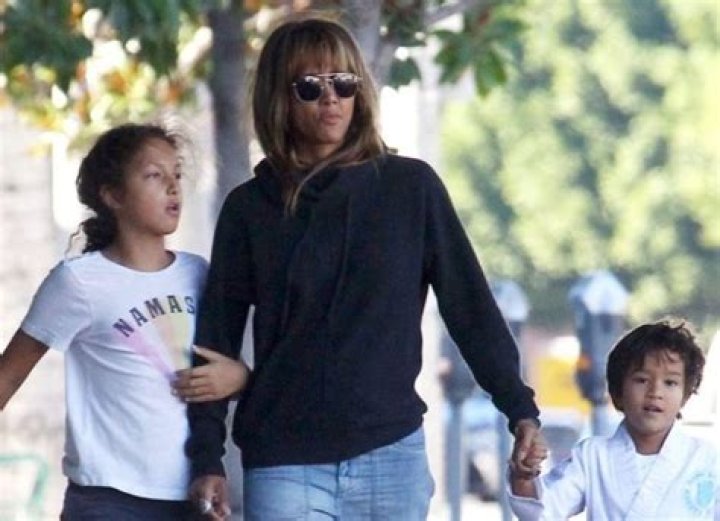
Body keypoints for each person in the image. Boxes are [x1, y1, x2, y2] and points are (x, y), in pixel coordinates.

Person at [184, 16, 543, 520]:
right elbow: (214, 340)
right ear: (279, 99)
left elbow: (470, 308)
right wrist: (207, 459)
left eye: (344, 83)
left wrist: (520, 409)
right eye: (310, 87)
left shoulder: (411, 187)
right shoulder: (250, 209)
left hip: (391, 455)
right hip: (284, 459)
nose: (331, 99)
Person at [0, 123, 242, 520]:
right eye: (154, 175)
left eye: (177, 173)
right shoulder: (78, 282)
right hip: (107, 499)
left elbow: (219, 371)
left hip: (191, 495)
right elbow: (8, 375)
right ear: (113, 195)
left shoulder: (198, 274)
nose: (173, 186)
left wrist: (239, 377)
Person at [509, 319, 720, 520]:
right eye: (642, 380)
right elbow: (544, 511)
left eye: (670, 383)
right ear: (618, 392)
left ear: (686, 395)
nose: (655, 392)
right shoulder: (593, 457)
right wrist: (524, 477)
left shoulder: (707, 458)